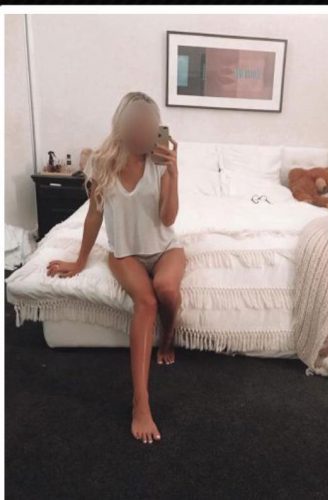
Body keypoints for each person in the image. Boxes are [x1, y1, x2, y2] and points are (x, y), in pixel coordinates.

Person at [46, 91, 187, 444]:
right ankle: (141, 402)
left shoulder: (160, 161)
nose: (142, 132)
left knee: (167, 291)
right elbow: (94, 214)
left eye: (149, 126)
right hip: (125, 254)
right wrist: (80, 260)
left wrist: (173, 172)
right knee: (147, 302)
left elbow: (169, 218)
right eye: (136, 124)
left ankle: (168, 337)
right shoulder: (101, 162)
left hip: (165, 248)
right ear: (122, 125)